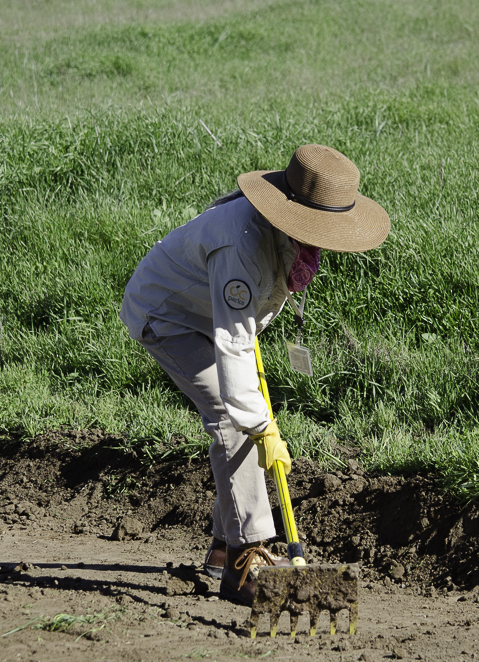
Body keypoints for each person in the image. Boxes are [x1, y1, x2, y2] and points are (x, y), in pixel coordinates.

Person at [119, 144, 390, 604]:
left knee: (240, 414)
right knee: (232, 419)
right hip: (166, 316)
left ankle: (225, 547)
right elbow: (234, 344)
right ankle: (248, 559)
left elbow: (242, 321)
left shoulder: (279, 235)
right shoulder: (239, 244)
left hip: (211, 314)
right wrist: (263, 427)